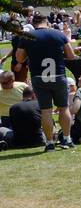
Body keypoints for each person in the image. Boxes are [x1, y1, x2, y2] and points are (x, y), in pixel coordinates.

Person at [13, 12, 77, 150]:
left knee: (46, 111)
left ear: (33, 23)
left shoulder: (27, 36)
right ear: (46, 21)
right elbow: (71, 56)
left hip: (39, 77)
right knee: (63, 108)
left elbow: (19, 58)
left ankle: (49, 143)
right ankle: (67, 139)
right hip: (58, 75)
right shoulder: (58, 34)